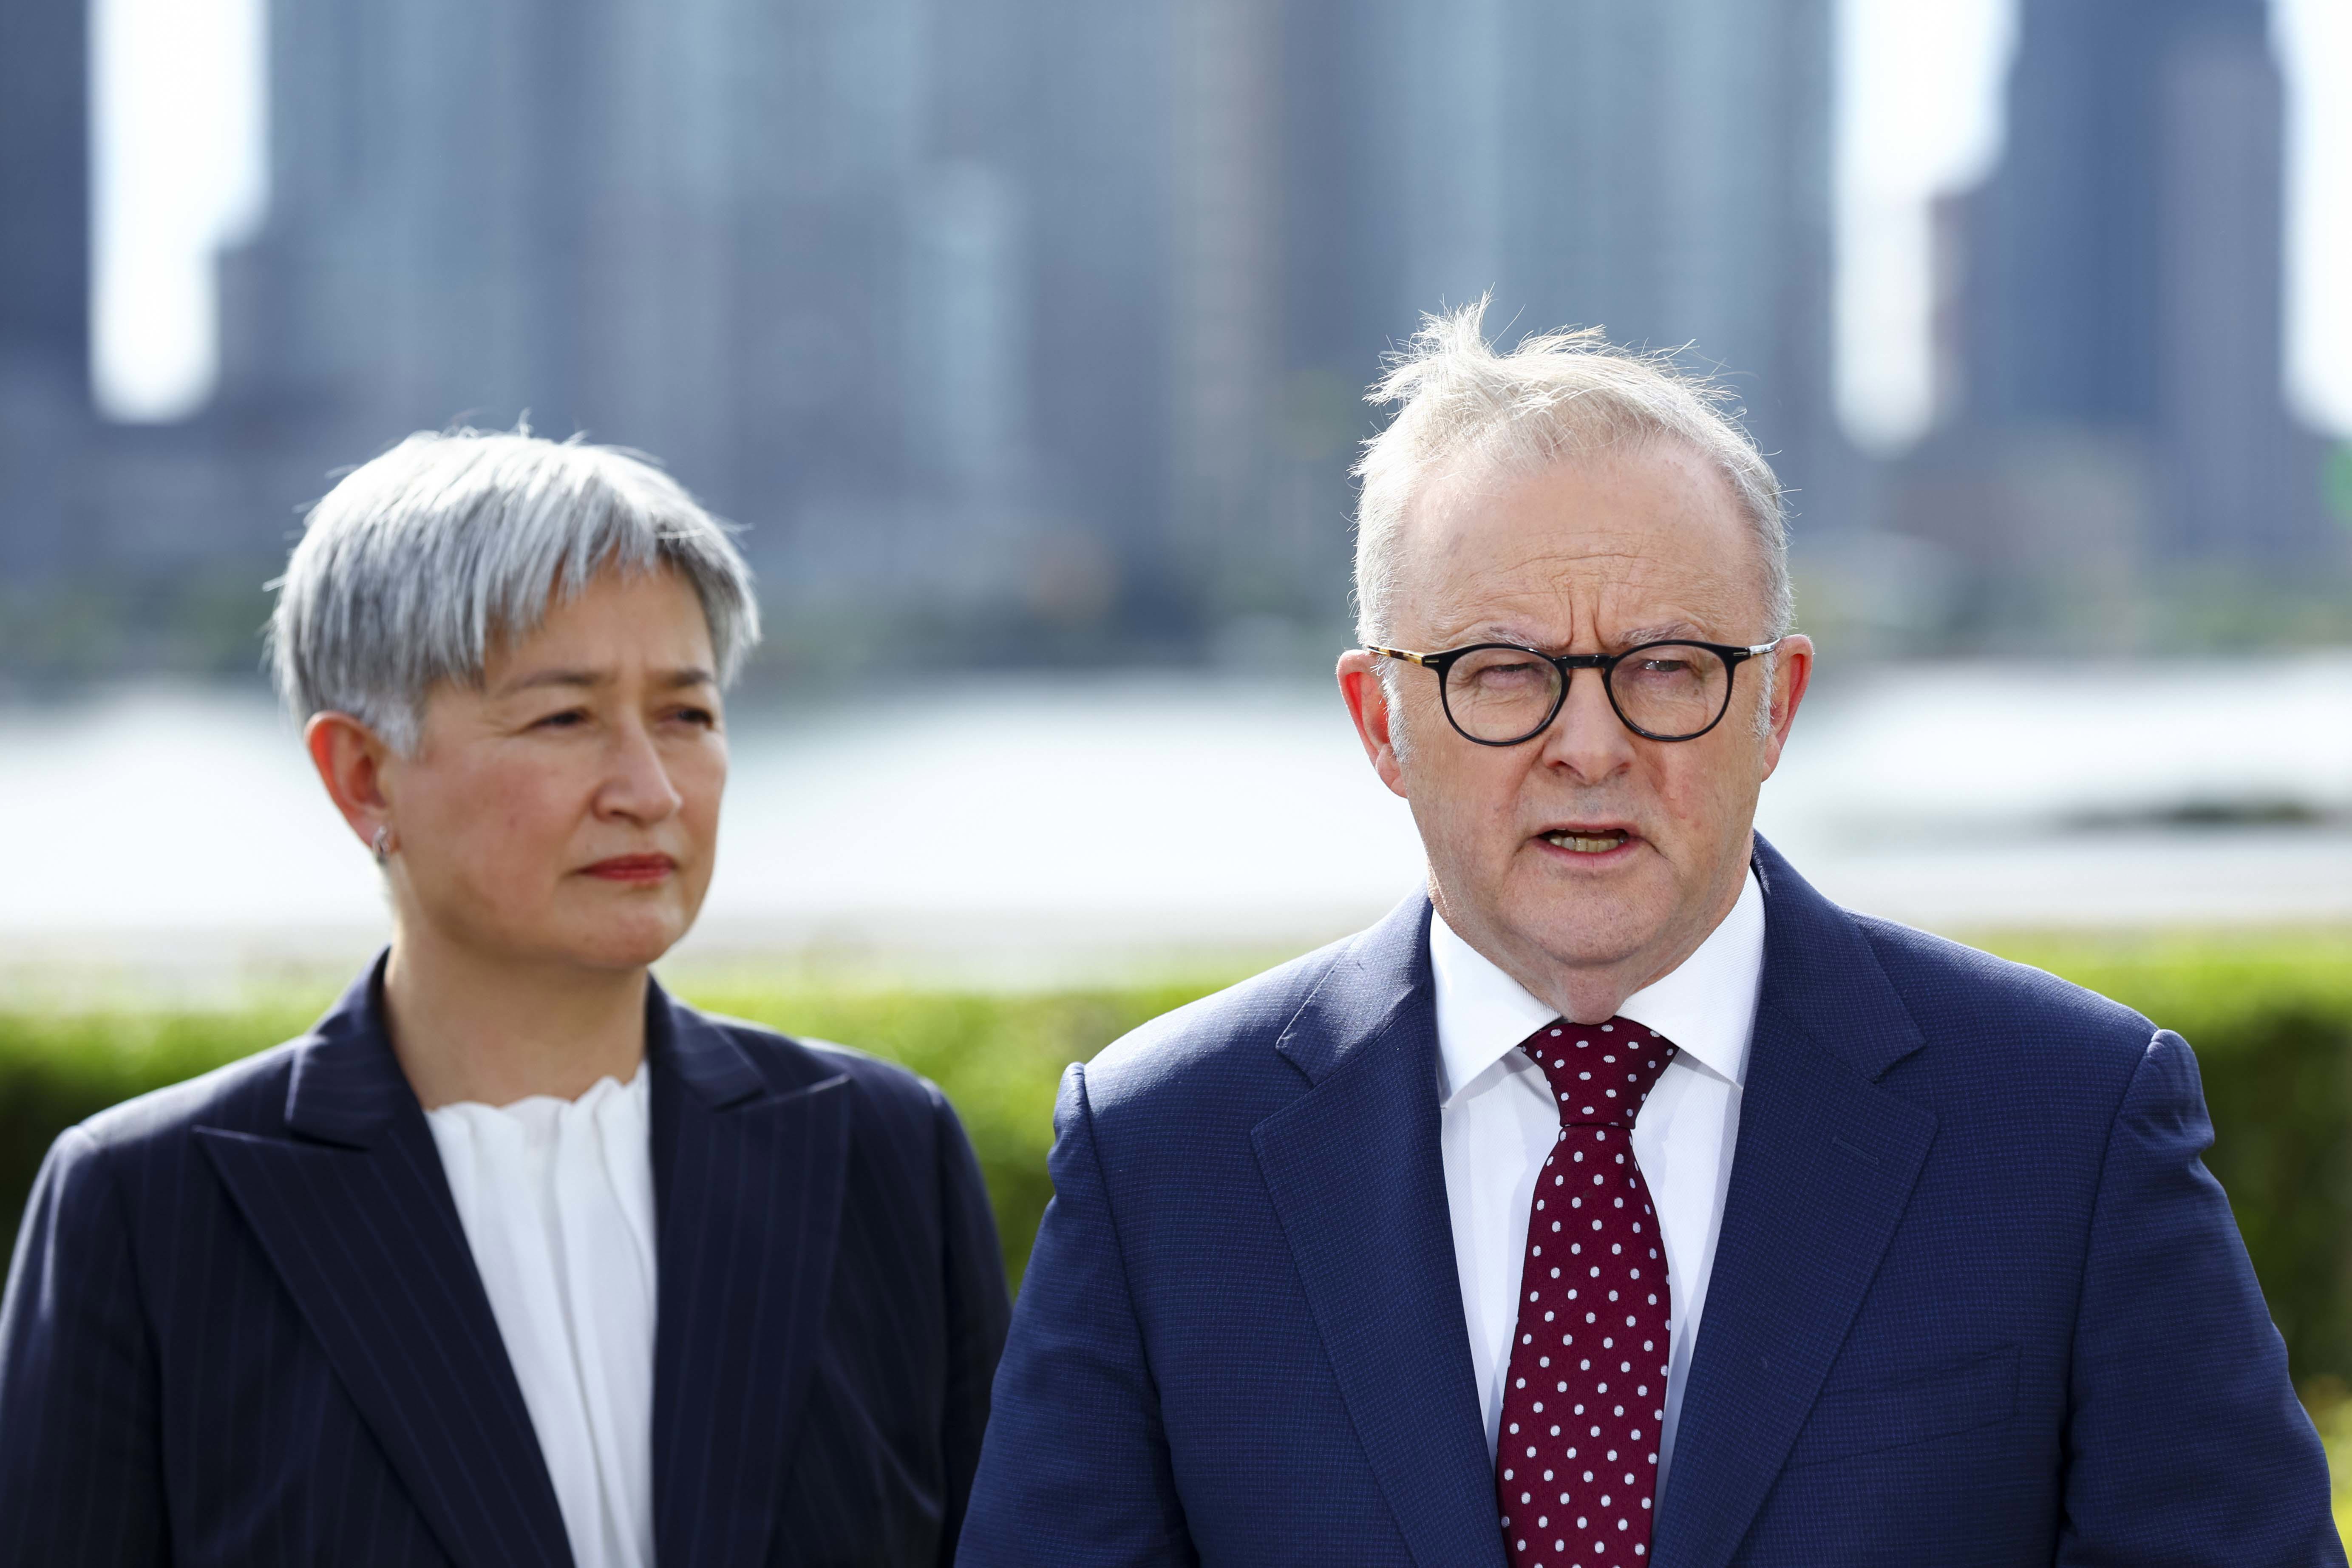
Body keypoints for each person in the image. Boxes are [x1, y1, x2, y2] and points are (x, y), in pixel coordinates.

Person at [958, 305, 2343, 1567]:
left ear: (1777, 706)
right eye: (1501, 672)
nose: (1589, 744)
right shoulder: (1162, 1157)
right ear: (1381, 719)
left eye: (1667, 667)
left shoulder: (2069, 1125)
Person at [0, 429, 1009, 1566]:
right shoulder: (149, 1208)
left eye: (687, 712)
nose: (650, 787)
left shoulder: (882, 1149)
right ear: (363, 775)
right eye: (565, 717)